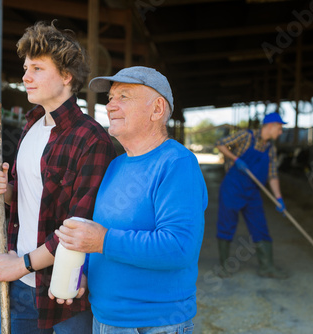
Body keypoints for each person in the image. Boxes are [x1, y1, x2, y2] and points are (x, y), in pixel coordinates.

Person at [0, 21, 116, 333]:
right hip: (20, 285)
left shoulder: (92, 139)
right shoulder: (31, 125)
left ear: (66, 76)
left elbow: (78, 226)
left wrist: (23, 263)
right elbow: (33, 196)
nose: (26, 76)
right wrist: (6, 190)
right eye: (26, 67)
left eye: (38, 68)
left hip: (65, 290)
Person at [53, 66, 208, 333]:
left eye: (124, 97)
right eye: (110, 98)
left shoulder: (177, 163)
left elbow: (179, 247)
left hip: (153, 324)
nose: (111, 106)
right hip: (105, 319)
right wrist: (83, 274)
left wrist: (103, 240)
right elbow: (102, 231)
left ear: (157, 109)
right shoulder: (116, 166)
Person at [215, 112, 288, 279]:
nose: (281, 132)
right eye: (279, 127)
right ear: (270, 126)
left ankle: (267, 267)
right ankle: (224, 267)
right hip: (233, 187)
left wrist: (278, 198)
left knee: (260, 225)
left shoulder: (271, 149)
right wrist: (235, 159)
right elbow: (220, 144)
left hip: (252, 191)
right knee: (227, 225)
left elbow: (272, 175)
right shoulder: (246, 136)